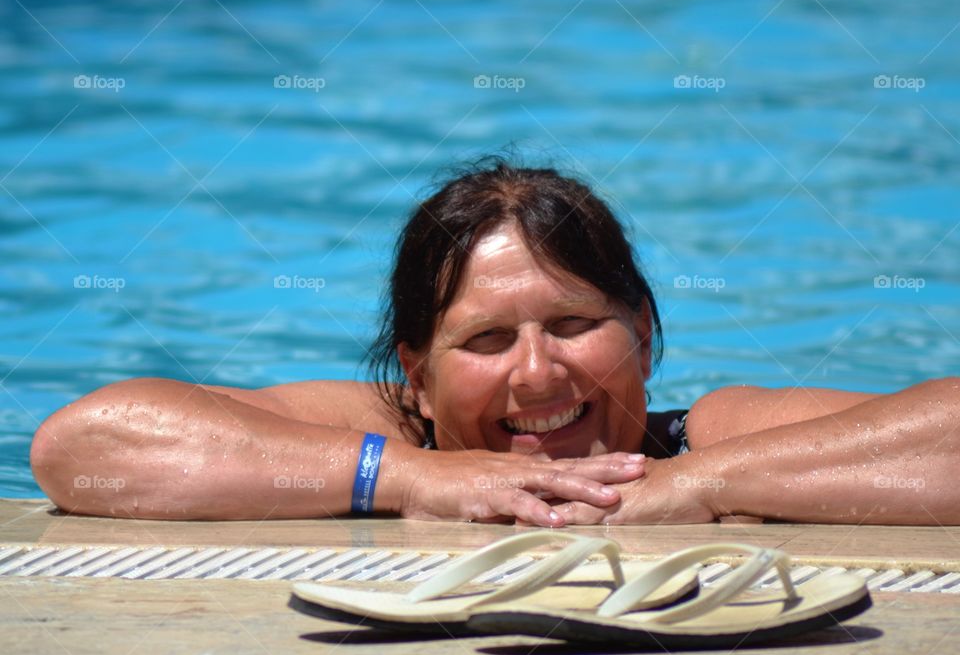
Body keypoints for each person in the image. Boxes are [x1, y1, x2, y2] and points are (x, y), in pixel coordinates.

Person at [30, 160, 960, 526]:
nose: (536, 373)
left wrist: (703, 484)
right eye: (483, 340)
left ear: (643, 335)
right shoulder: (394, 436)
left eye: (574, 325)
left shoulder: (703, 435)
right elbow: (82, 444)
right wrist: (412, 479)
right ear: (417, 377)